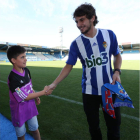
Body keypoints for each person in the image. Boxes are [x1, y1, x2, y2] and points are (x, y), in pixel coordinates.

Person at [46, 3, 122, 140]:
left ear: (92, 18)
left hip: (110, 90)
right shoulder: (76, 44)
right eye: (76, 21)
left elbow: (117, 55)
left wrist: (117, 72)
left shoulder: (109, 35)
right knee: (94, 127)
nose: (79, 24)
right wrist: (54, 83)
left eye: (82, 20)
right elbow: (69, 65)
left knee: (114, 128)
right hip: (89, 93)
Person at [7, 45, 50, 140]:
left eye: (25, 56)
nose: (25, 59)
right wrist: (43, 92)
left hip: (30, 108)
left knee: (35, 129)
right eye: (22, 57)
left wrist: (36, 97)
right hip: (19, 111)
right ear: (13, 60)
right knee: (21, 135)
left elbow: (30, 87)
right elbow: (25, 97)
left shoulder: (26, 70)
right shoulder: (13, 78)